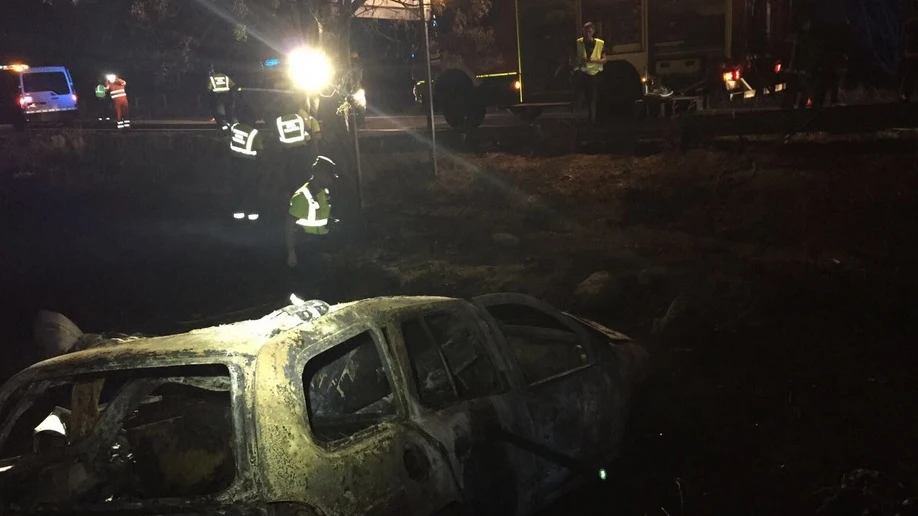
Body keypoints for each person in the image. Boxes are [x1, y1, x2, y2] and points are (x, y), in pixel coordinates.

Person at [286, 156, 337, 268]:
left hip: (323, 244)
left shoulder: (325, 192)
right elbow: (289, 226)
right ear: (320, 174)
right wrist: (291, 253)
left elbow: (322, 217)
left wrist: (331, 222)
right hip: (306, 247)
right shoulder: (301, 196)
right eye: (329, 177)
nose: (331, 181)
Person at [228, 121, 264, 221]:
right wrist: (260, 165)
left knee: (238, 189)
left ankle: (237, 214)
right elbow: (259, 150)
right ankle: (253, 215)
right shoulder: (253, 132)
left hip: (236, 163)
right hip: (250, 165)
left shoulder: (235, 128)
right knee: (251, 189)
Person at [574, 22, 607, 124]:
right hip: (582, 72)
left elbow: (605, 59)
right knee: (579, 97)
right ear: (583, 31)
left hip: (594, 74)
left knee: (592, 98)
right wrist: (577, 63)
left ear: (593, 32)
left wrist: (595, 61)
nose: (587, 34)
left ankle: (592, 121)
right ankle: (578, 120)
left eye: (589, 31)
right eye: (585, 31)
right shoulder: (578, 42)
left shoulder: (599, 43)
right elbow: (572, 58)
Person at [207, 66, 237, 131]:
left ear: (214, 71)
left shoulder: (212, 78)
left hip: (218, 98)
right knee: (230, 113)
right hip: (228, 97)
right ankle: (234, 127)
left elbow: (208, 89)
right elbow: (233, 86)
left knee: (219, 114)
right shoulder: (226, 77)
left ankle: (224, 128)